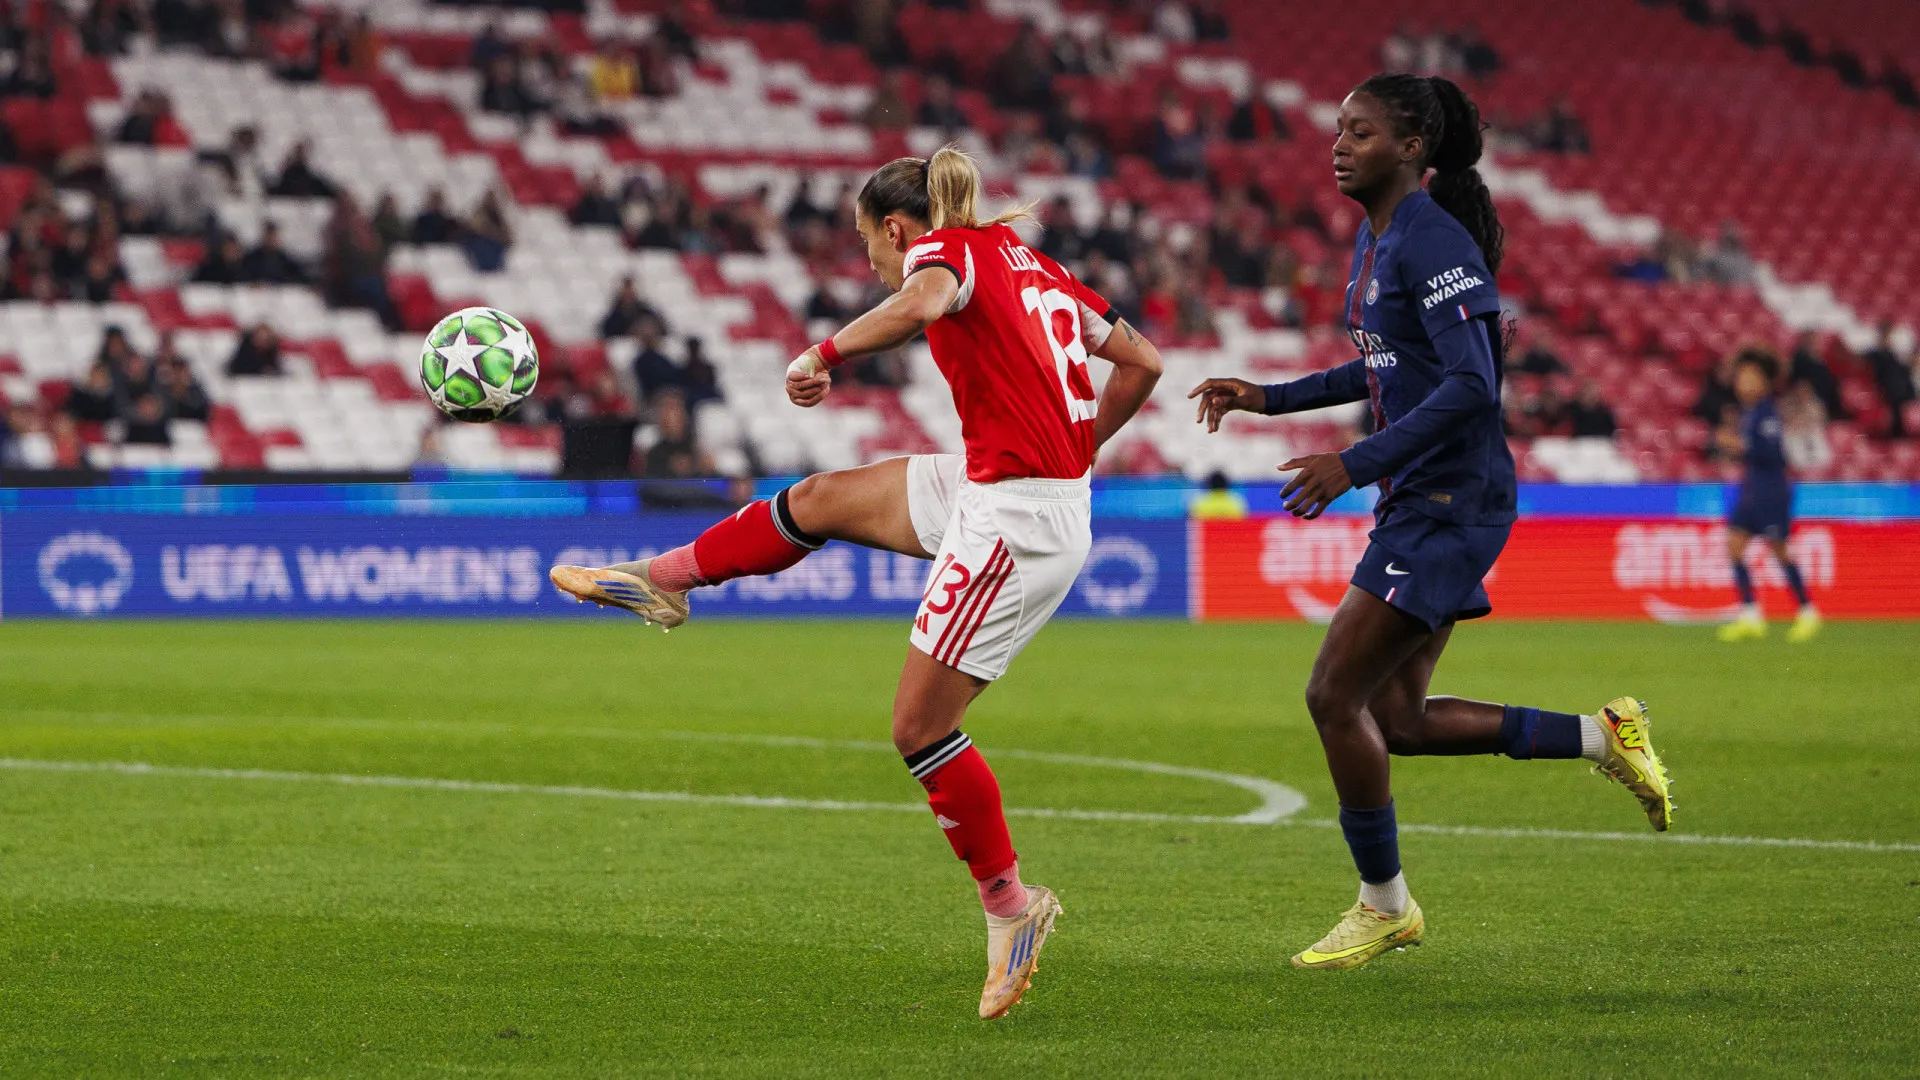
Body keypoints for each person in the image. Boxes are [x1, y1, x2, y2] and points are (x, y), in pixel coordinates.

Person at [547, 147, 1163, 1018]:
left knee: (919, 728)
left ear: (898, 229)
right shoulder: (1032, 261)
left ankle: (1012, 907)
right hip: (1002, 484)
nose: (869, 257)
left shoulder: (942, 253)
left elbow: (922, 301)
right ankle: (663, 580)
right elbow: (1145, 363)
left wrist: (822, 352)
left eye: (867, 238)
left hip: (1016, 523)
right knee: (819, 499)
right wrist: (1078, 450)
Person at [1188, 74, 1671, 972]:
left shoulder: (1434, 239)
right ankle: (1604, 735)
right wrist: (1270, 398)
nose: (1339, 146)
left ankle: (1384, 906)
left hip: (1451, 499)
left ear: (1412, 148)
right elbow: (1383, 365)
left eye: (1361, 132)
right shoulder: (1379, 240)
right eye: (1338, 129)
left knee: (1333, 697)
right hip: (1426, 496)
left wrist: (1352, 462)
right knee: (1397, 719)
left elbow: (1472, 384)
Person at [1715, 348, 1821, 643]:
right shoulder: (1749, 414)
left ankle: (1807, 611)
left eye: (1750, 377)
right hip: (1752, 488)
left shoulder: (1767, 413)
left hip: (1770, 490)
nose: (1743, 383)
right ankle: (1750, 614)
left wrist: (1737, 446)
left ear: (1764, 382)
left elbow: (1772, 453)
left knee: (1780, 550)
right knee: (1734, 545)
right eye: (1741, 377)